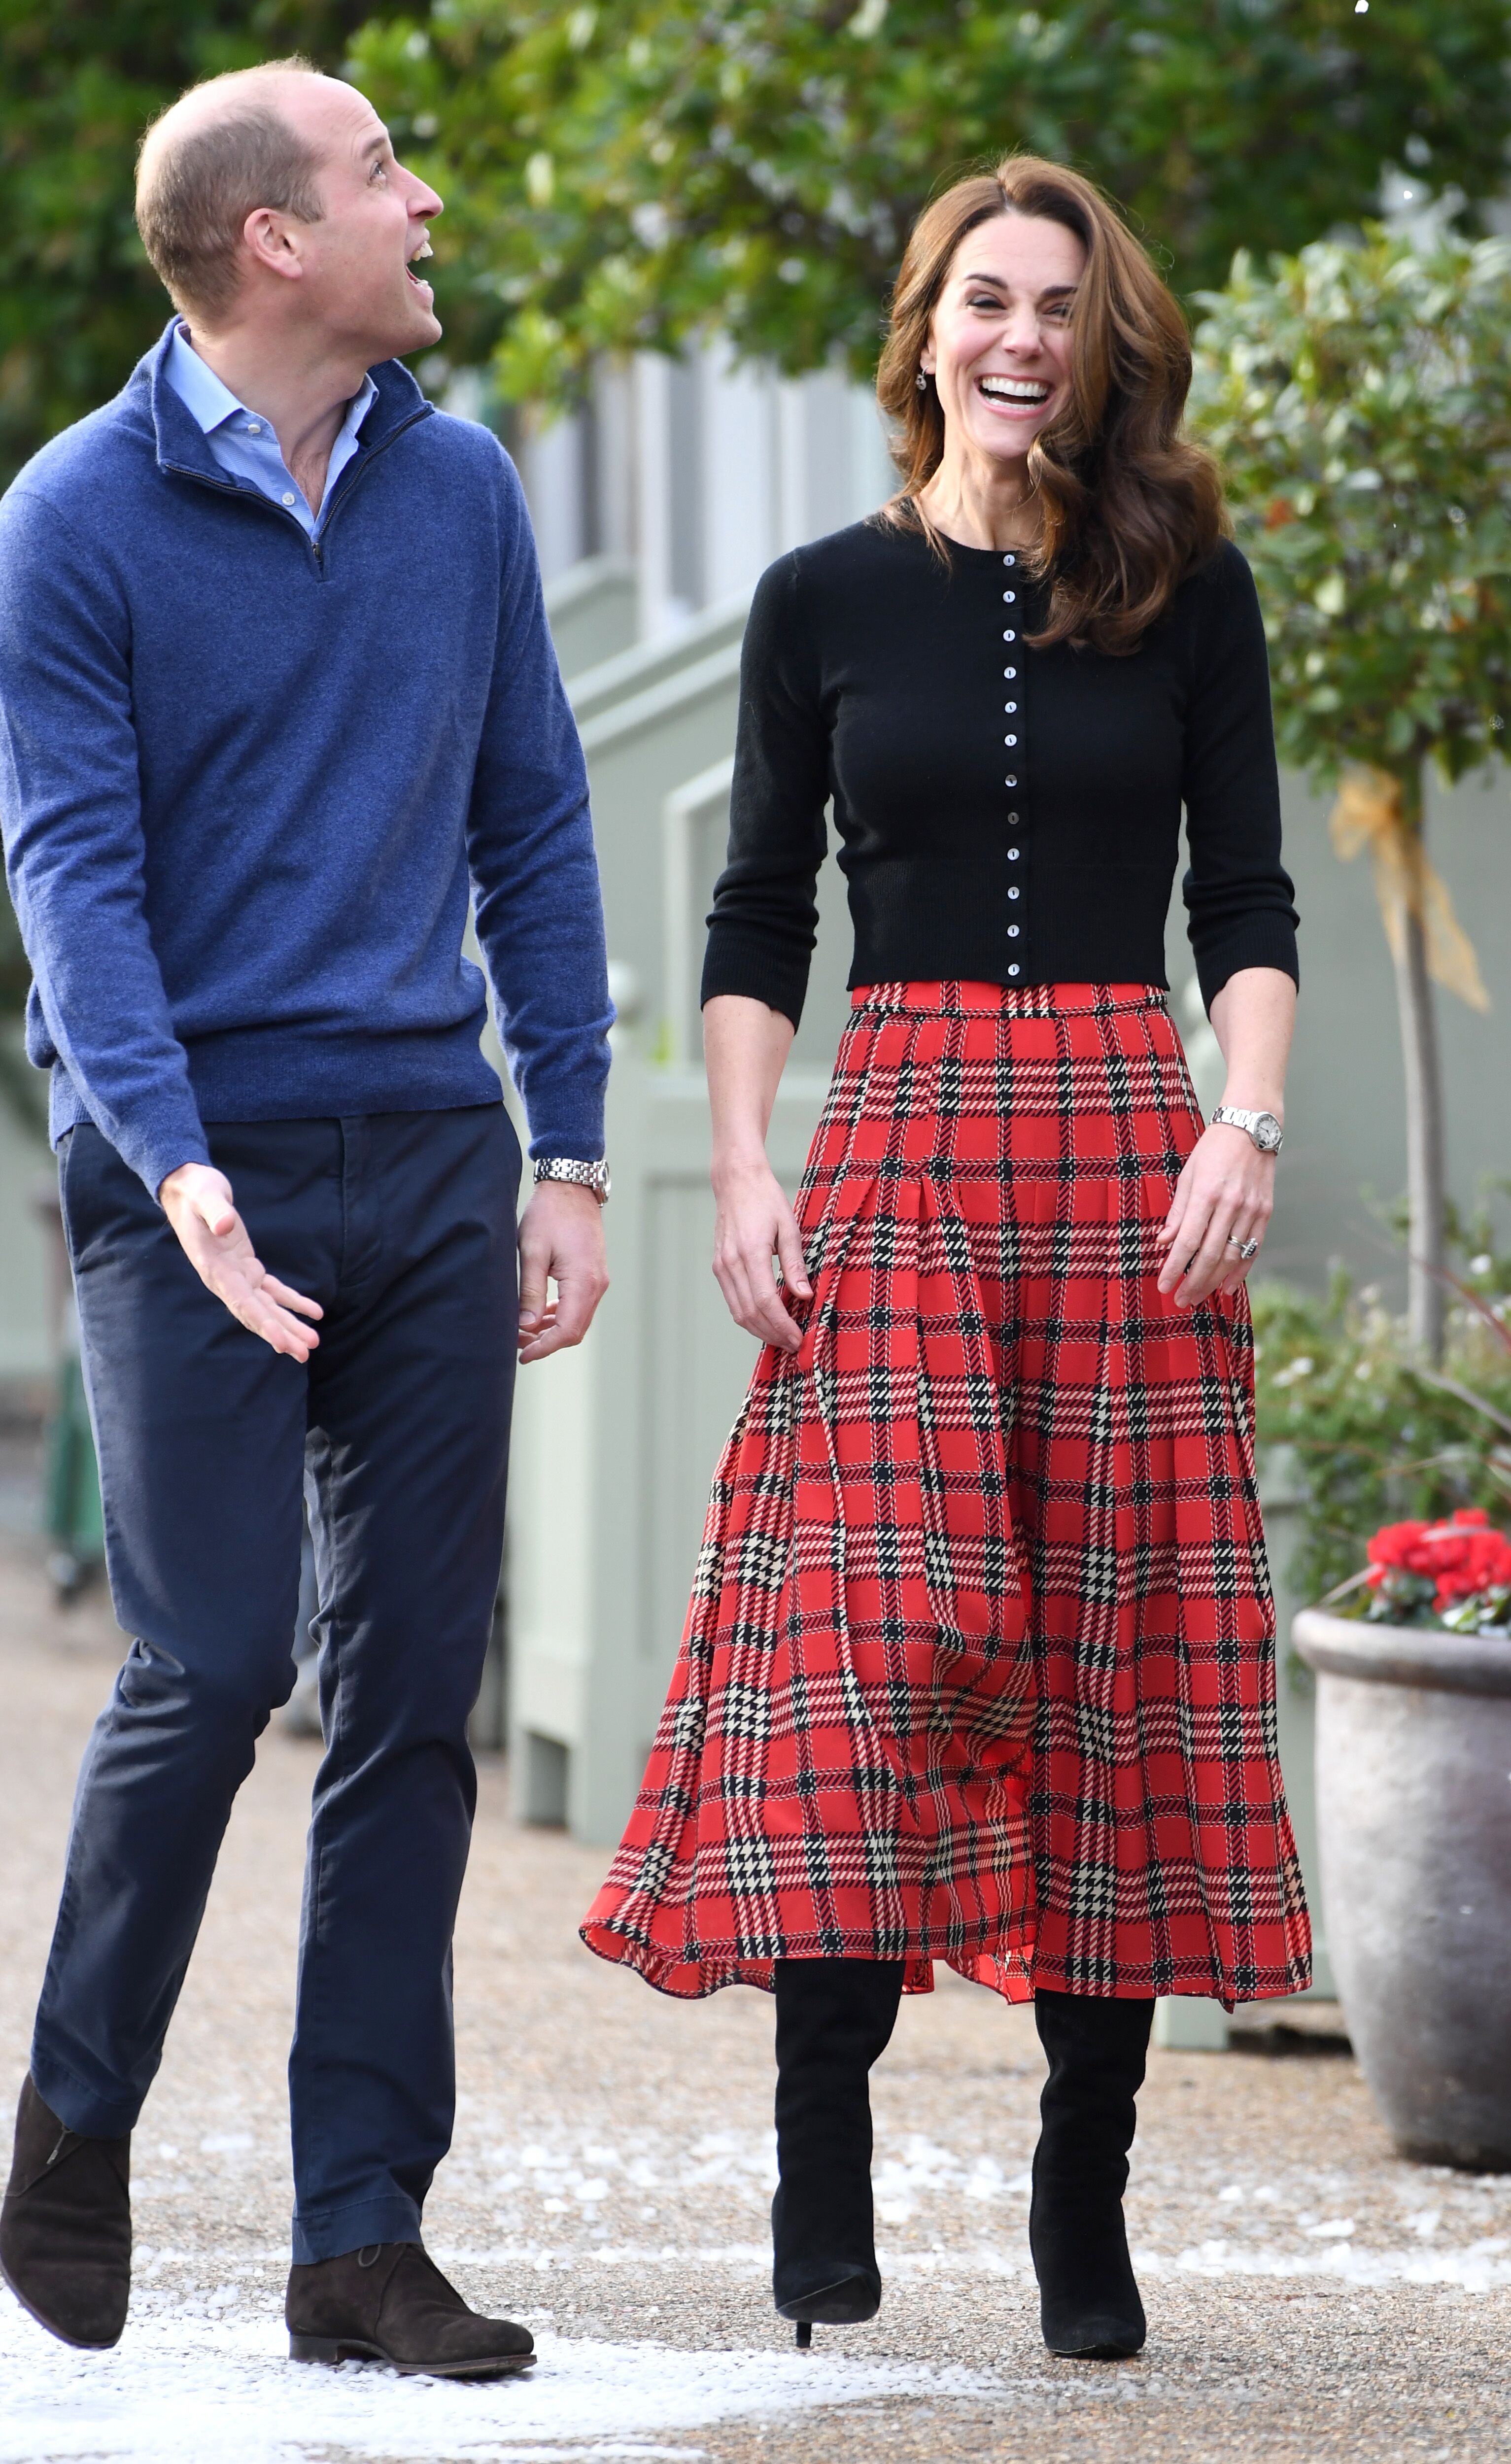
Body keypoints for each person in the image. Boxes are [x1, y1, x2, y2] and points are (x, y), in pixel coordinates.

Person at [584, 154, 1310, 2361]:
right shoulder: (817, 600)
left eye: (1056, 310)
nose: (1018, 338)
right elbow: (752, 912)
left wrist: (1240, 1117)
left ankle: (1079, 2193)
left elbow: (1248, 903)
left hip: (1120, 1142)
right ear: (920, 333)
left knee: (1104, 1658)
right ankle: (824, 2135)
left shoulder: (1191, 587)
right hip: (892, 1146)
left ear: (1101, 346)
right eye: (981, 300)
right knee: (871, 1637)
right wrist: (741, 1160)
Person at [0, 60, 614, 2377]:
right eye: (378, 173)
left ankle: (360, 2235)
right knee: (209, 1658)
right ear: (273, 239)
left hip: (433, 1154)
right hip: (193, 1172)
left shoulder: (458, 493)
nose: (419, 194)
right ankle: (73, 2115)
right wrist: (177, 1172)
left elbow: (535, 828)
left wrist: (559, 1146)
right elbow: (73, 882)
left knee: (406, 1700)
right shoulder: (69, 517)